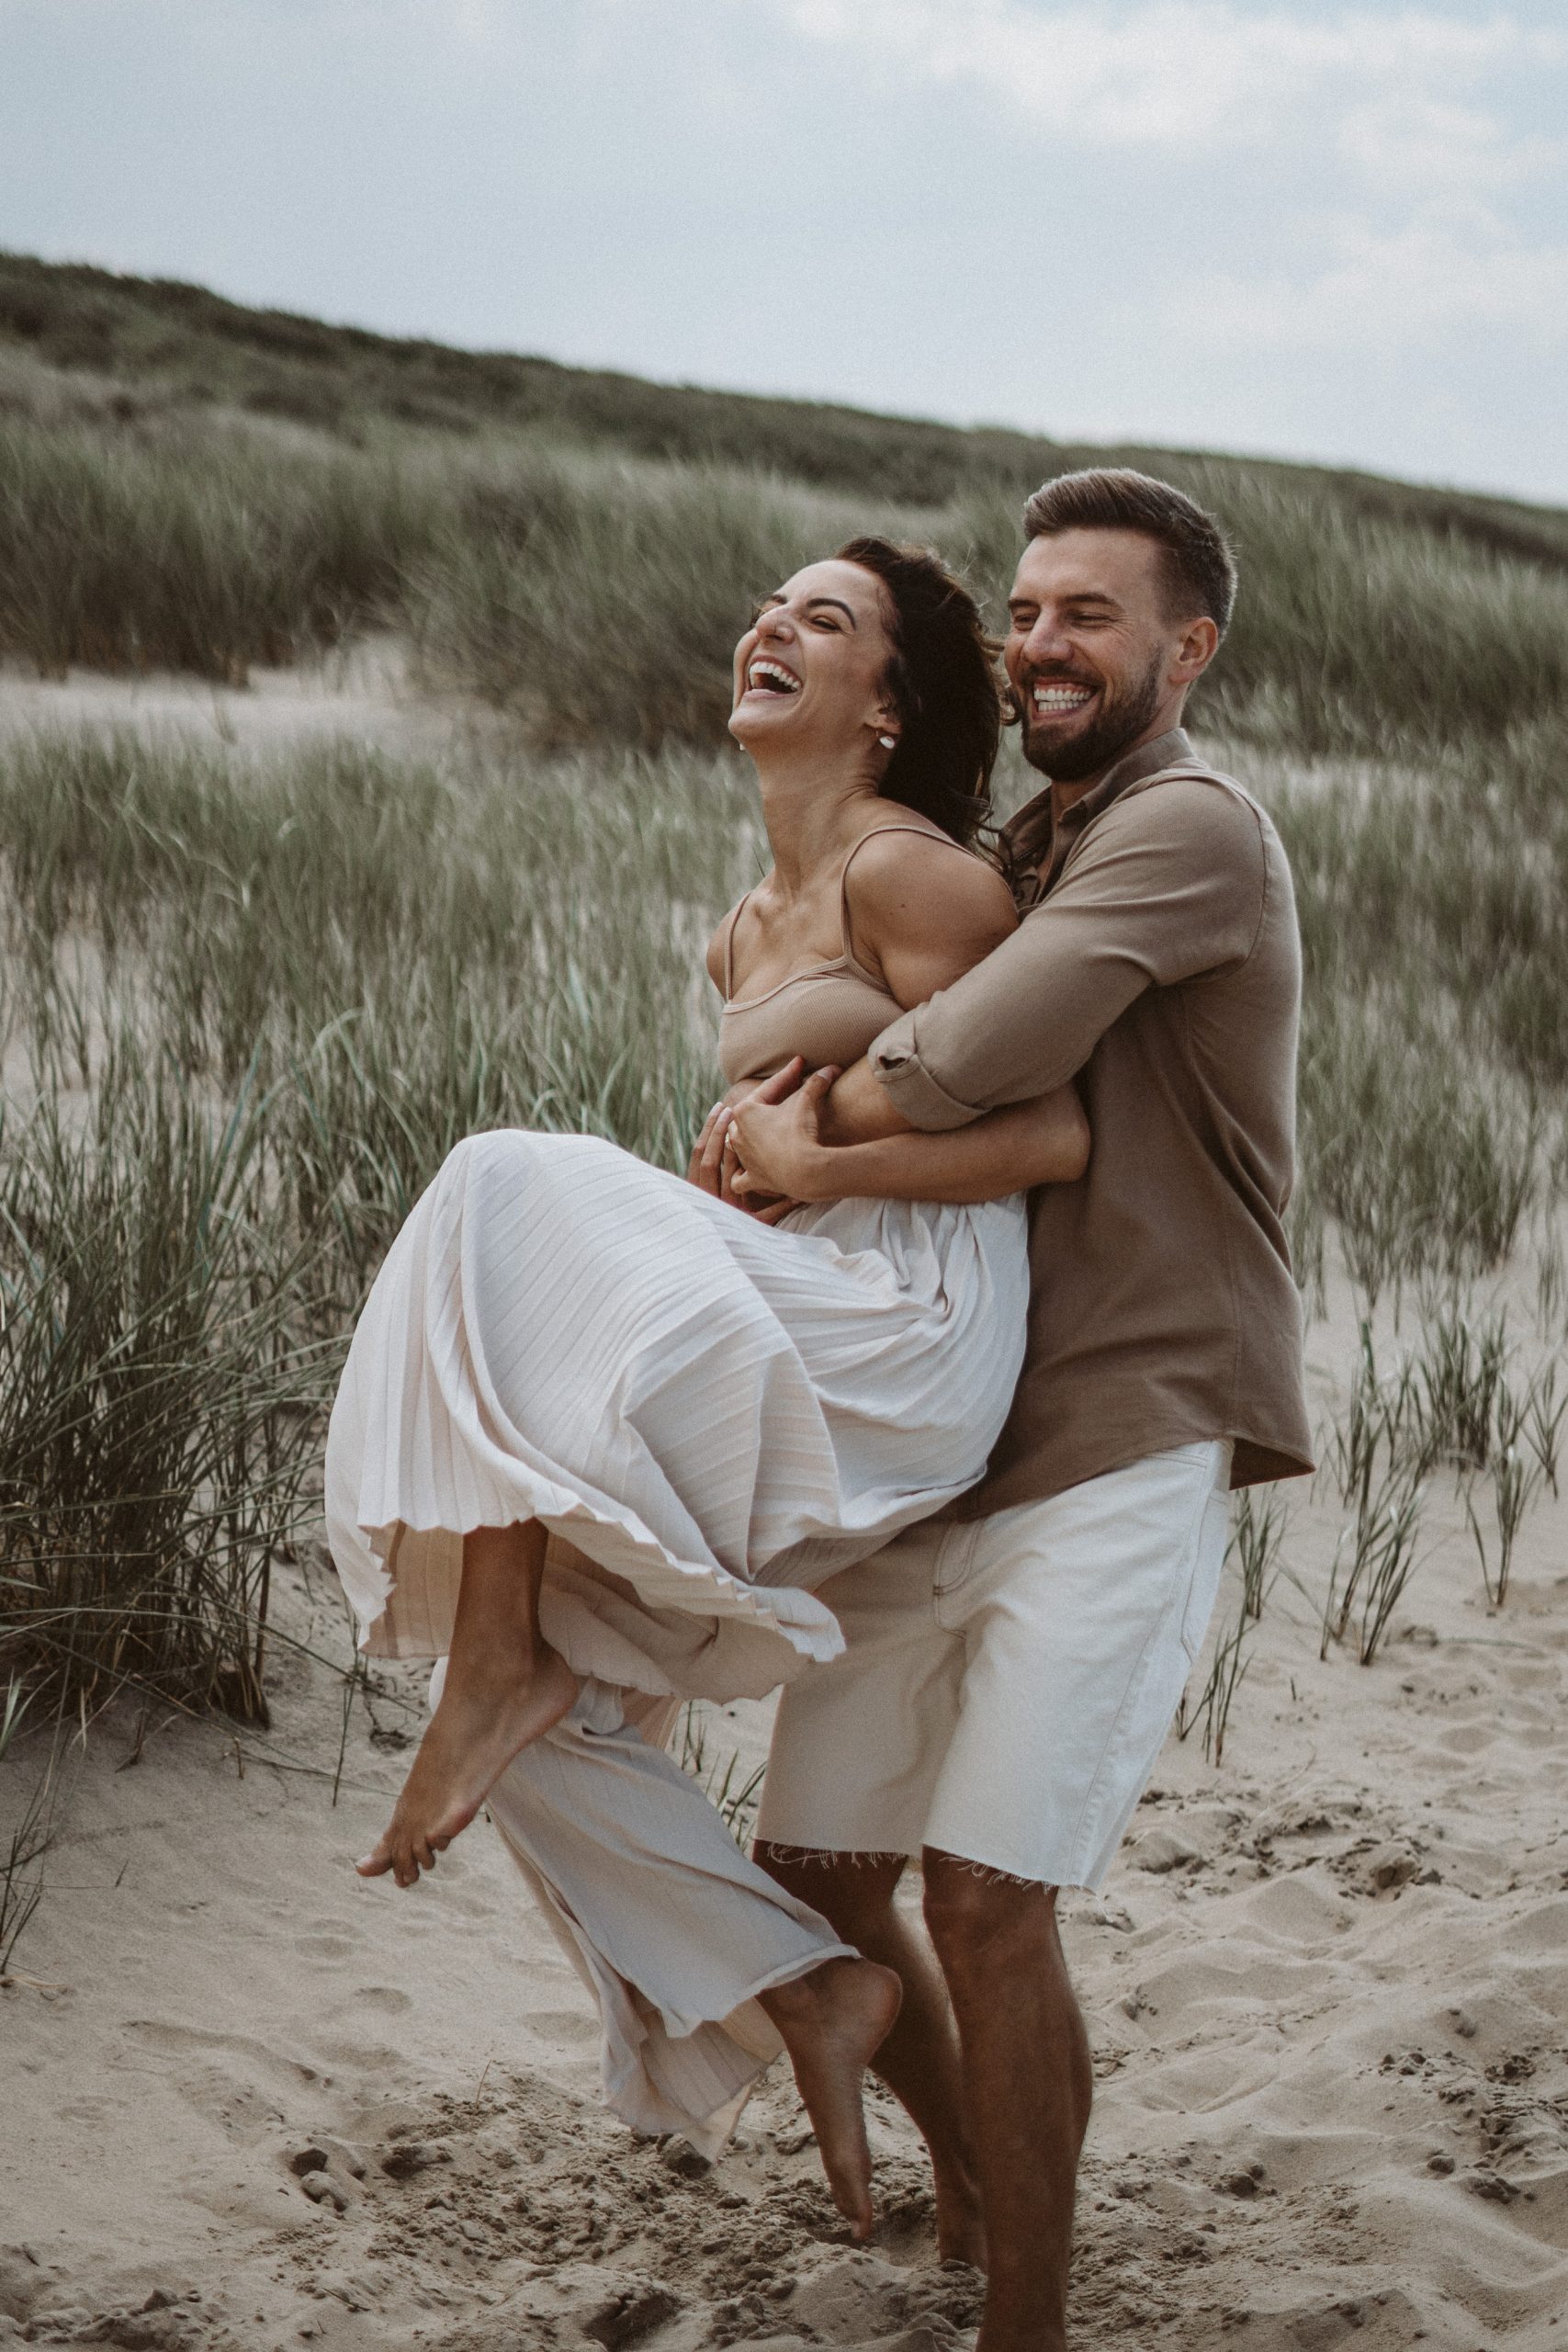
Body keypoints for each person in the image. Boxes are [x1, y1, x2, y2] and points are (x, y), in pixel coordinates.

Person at [323, 537, 1089, 2237]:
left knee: (501, 1178)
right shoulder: (739, 934)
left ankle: (500, 1661)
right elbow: (785, 1162)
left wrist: (811, 1166)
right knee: (554, 1724)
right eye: (769, 607)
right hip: (807, 1305)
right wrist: (742, 1189)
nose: (773, 627)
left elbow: (1051, 1136)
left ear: (886, 704)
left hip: (914, 1334)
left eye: (826, 619)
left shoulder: (917, 879)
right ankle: (806, 1991)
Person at [728, 471, 1314, 2348]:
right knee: (815, 1871)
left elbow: (975, 1054)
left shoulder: (1188, 828)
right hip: (951, 1431)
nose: (1043, 643)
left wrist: (798, 1130)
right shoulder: (1017, 845)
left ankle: (1028, 2322)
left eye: (1091, 614)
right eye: (1028, 609)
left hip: (1132, 1412)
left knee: (987, 1899)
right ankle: (978, 2173)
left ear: (1186, 649)